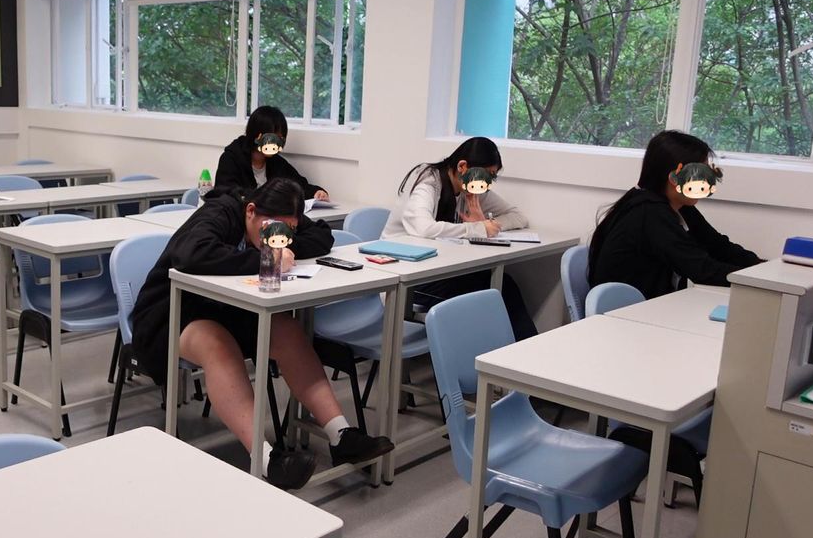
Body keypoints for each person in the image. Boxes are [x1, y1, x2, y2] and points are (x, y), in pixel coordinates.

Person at [130, 179, 393, 490]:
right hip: (171, 312)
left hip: (227, 308)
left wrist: (283, 249)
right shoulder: (220, 212)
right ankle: (266, 458)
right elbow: (191, 255)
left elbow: (322, 236)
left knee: (287, 330)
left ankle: (341, 435)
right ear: (251, 211)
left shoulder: (278, 218)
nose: (276, 237)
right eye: (271, 230)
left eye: (287, 231)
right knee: (218, 345)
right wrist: (266, 259)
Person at [383, 136, 539, 340]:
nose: (487, 183)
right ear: (463, 167)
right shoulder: (428, 181)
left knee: (504, 284)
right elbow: (423, 228)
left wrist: (487, 223)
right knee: (487, 292)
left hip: (440, 269)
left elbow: (517, 217)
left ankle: (522, 350)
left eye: (492, 177)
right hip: (407, 275)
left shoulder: (473, 190)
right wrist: (476, 228)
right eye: (486, 175)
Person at [588, 130, 762, 299]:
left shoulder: (679, 206)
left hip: (654, 304)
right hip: (628, 311)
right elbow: (700, 269)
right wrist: (755, 280)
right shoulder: (650, 213)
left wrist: (760, 267)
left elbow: (716, 245)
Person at [215, 105, 329, 200]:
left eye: (280, 139)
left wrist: (316, 192)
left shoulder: (277, 163)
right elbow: (223, 192)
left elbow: (298, 185)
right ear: (257, 135)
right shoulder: (231, 158)